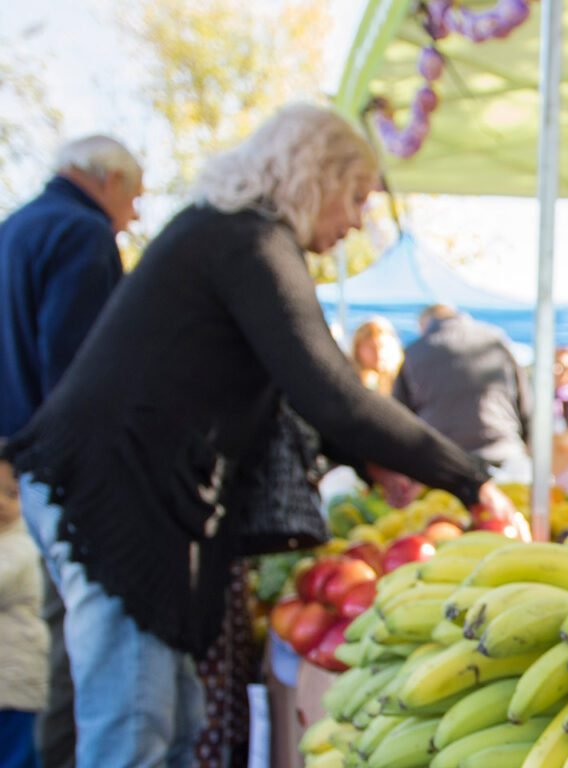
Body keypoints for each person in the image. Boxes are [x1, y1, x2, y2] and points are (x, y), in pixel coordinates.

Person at [3, 104, 522, 768]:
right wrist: (468, 480)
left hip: (128, 496)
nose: (359, 220)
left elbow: (292, 394)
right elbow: (329, 391)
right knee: (133, 733)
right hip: (116, 504)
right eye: (356, 196)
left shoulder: (224, 236)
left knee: (174, 723)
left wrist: (374, 464)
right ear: (317, 176)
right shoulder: (246, 241)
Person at [0, 134, 144, 768]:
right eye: (133, 197)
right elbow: (78, 371)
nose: (133, 214)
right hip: (64, 467)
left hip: (22, 457)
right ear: (106, 179)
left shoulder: (17, 227)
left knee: (62, 629)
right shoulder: (80, 236)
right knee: (84, 642)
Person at [395, 305, 534, 476]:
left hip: (443, 460)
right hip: (504, 452)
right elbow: (525, 400)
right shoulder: (495, 340)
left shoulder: (414, 352)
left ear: (425, 324)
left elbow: (400, 415)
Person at [0, 468, 46, 768]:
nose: (1, 503)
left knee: (15, 758)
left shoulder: (22, 544)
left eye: (11, 494)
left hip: (14, 687)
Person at [351, 316, 404, 395]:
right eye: (371, 347)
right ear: (358, 349)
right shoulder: (350, 380)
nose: (378, 353)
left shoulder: (404, 379)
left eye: (382, 346)